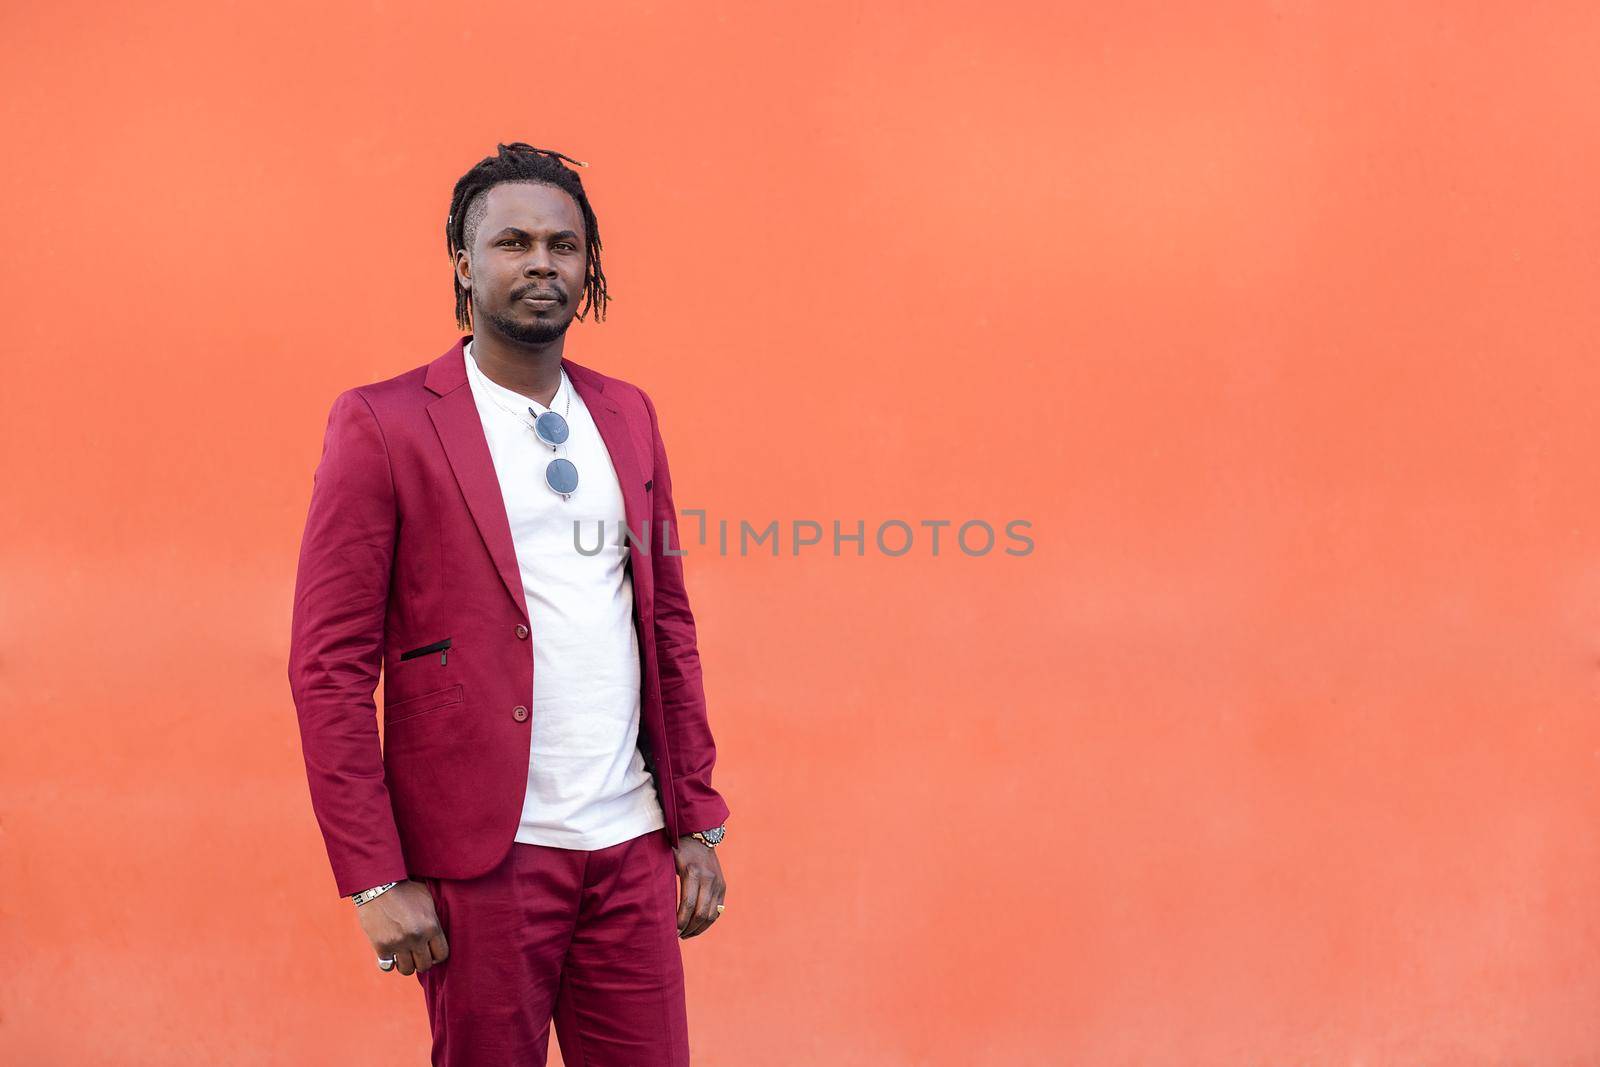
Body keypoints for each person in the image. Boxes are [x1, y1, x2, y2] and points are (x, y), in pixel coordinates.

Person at [287, 142, 731, 1066]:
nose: (541, 264)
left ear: (588, 267)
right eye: (513, 242)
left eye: (564, 246)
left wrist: (695, 819)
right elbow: (327, 666)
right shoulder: (385, 422)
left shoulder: (628, 413)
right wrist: (374, 879)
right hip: (484, 858)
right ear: (463, 260)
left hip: (629, 842)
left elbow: (667, 626)